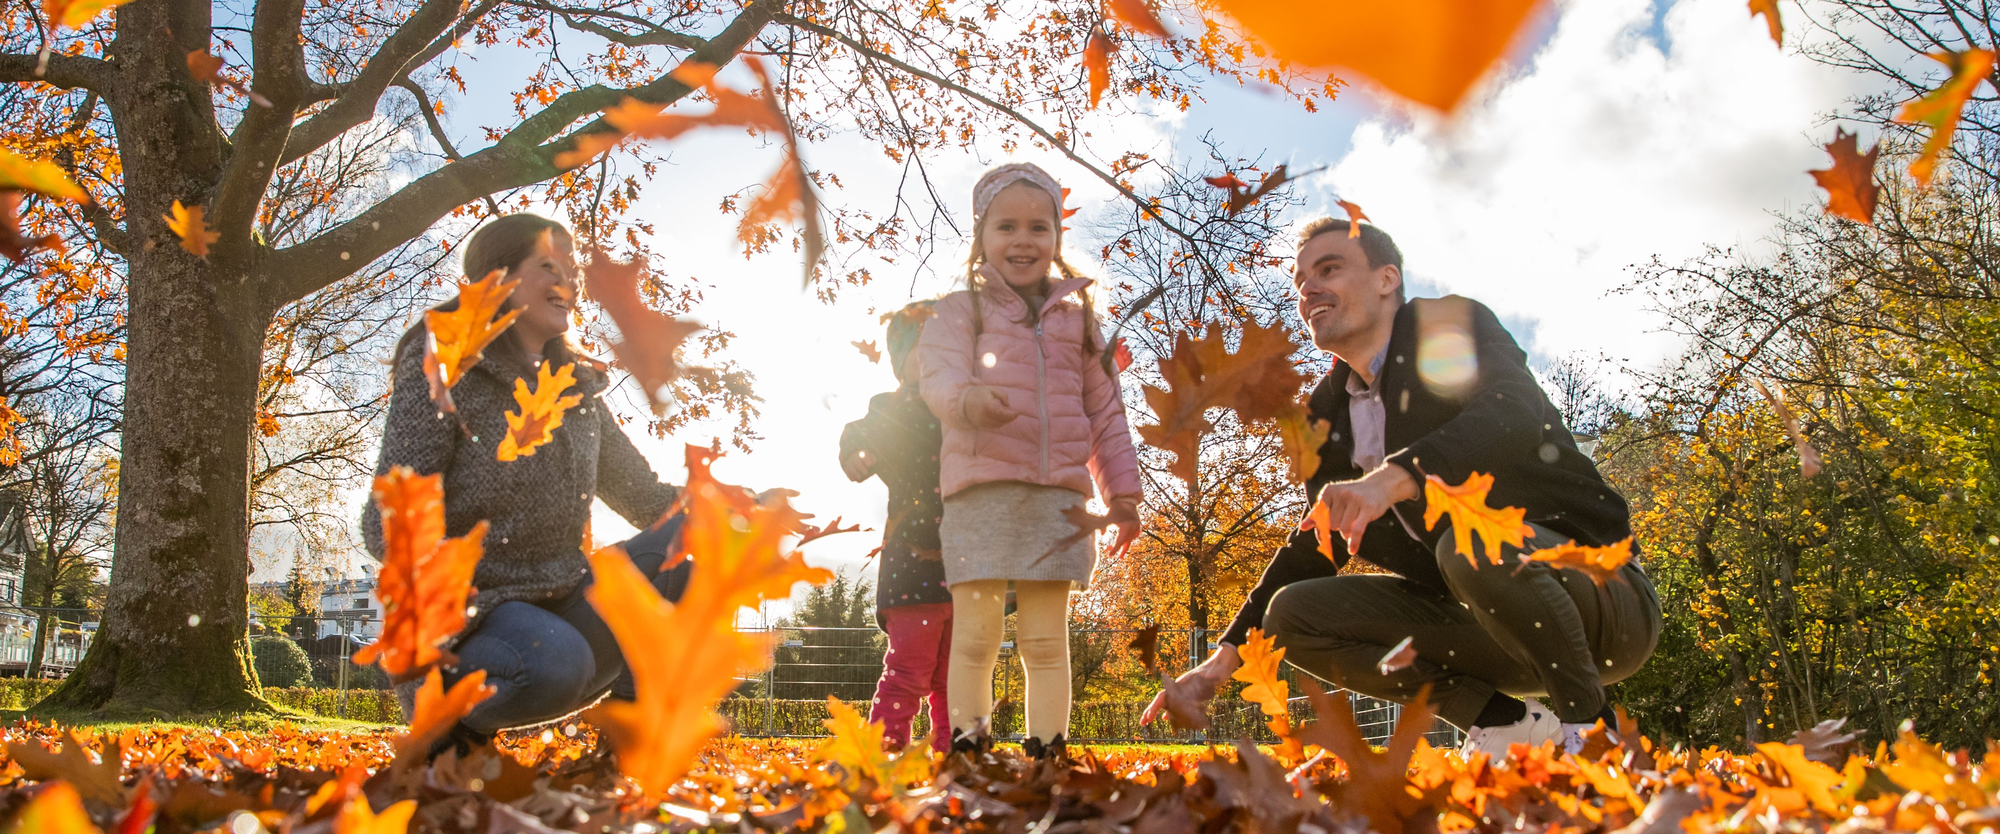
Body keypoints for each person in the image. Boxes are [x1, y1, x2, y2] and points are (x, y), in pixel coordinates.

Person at [1140, 216, 1661, 755]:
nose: (1308, 289)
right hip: (1487, 632)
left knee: (1473, 539)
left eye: (1329, 268)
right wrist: (1224, 660)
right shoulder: (1323, 417)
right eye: (1299, 281)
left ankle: (1594, 734)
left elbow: (1511, 413)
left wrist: (1393, 480)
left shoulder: (1444, 327)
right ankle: (1504, 721)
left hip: (1602, 604)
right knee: (1292, 615)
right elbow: (1317, 542)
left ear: (1387, 279)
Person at [363, 214, 692, 752]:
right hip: (475, 620)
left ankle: (628, 739)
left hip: (565, 599)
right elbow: (390, 519)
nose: (572, 282)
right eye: (549, 266)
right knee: (555, 661)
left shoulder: (577, 391)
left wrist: (723, 506)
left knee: (688, 542)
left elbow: (648, 500)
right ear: (499, 278)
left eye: (574, 269)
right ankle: (452, 727)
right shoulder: (447, 366)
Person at [917, 162, 1144, 760]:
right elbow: (936, 377)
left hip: (1060, 501)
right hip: (981, 493)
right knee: (975, 637)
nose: (1023, 240)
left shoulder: (1081, 323)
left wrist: (1122, 496)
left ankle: (1049, 752)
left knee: (1046, 640)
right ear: (981, 236)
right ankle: (968, 750)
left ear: (1057, 239)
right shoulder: (961, 310)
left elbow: (1107, 417)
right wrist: (967, 400)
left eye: (1038, 228)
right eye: (1007, 227)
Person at [839, 300, 955, 753]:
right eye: (924, 349)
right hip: (912, 565)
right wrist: (856, 455)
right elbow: (859, 431)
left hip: (967, 562)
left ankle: (954, 754)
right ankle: (884, 754)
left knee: (957, 673)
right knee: (909, 669)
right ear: (901, 363)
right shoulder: (891, 408)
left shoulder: (962, 408)